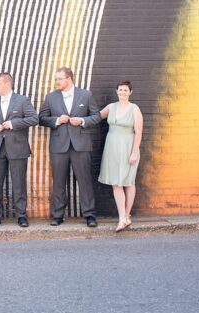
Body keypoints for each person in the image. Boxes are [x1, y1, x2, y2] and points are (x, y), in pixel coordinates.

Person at [39, 67, 102, 227]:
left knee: (85, 180)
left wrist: (82, 121)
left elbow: (96, 116)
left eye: (60, 78)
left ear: (69, 78)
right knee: (59, 181)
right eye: (57, 78)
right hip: (59, 145)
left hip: (81, 145)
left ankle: (89, 215)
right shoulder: (51, 97)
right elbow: (42, 118)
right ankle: (58, 215)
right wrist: (58, 120)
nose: (57, 82)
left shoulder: (85, 95)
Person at [0, 72, 38, 228]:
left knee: (19, 183)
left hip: (18, 148)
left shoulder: (22, 100)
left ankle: (21, 216)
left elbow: (34, 119)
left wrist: (13, 124)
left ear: (7, 84)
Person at [99, 80, 144, 231]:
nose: (122, 92)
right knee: (116, 183)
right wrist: (79, 118)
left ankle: (126, 215)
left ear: (130, 92)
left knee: (128, 182)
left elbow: (138, 131)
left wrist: (134, 151)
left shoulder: (134, 108)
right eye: (120, 90)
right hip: (112, 148)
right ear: (116, 91)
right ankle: (122, 218)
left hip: (128, 147)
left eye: (125, 90)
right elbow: (97, 116)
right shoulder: (111, 107)